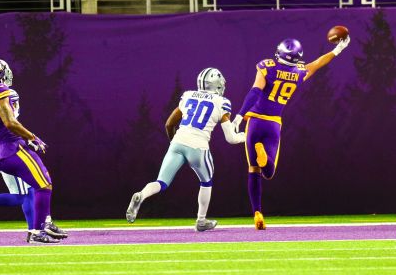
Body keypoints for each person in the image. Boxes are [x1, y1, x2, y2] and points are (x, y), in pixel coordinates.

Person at [236, 35, 350, 229]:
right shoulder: (298, 72)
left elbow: (255, 91)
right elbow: (318, 62)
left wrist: (240, 115)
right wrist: (338, 50)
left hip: (254, 120)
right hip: (273, 124)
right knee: (268, 172)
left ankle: (257, 212)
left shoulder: (267, 66)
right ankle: (264, 157)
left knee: (253, 170)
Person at [126, 68, 246, 232]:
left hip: (177, 141)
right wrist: (246, 136)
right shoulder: (222, 102)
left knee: (161, 182)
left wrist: (175, 143)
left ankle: (141, 195)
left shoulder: (188, 95)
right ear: (217, 85)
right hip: (198, 146)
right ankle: (201, 221)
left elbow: (169, 124)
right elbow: (231, 138)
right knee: (206, 182)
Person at [0, 59, 68, 238]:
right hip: (12, 147)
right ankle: (39, 229)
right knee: (43, 185)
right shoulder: (0, 90)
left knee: (33, 188)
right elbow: (10, 122)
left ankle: (43, 225)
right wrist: (33, 137)